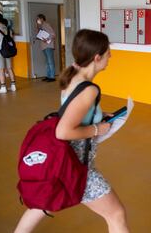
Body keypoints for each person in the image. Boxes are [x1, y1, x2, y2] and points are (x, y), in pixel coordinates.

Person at [14, 29, 130, 233]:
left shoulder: (73, 76)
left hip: (61, 162)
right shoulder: (89, 89)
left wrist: (98, 115)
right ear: (97, 57)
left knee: (42, 204)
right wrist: (97, 128)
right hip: (75, 165)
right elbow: (63, 131)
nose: (110, 56)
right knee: (116, 214)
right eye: (108, 52)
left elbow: (74, 111)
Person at [0, 13, 17, 94]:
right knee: (9, 68)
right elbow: (11, 39)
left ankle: (3, 87)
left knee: (1, 70)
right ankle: (13, 86)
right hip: (8, 51)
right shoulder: (8, 29)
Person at [36, 14, 56, 82]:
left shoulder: (46, 25)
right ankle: (48, 76)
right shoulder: (41, 26)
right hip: (44, 46)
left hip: (48, 45)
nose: (37, 20)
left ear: (42, 18)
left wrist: (47, 39)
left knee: (50, 61)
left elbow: (53, 34)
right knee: (47, 62)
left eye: (38, 18)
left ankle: (52, 77)